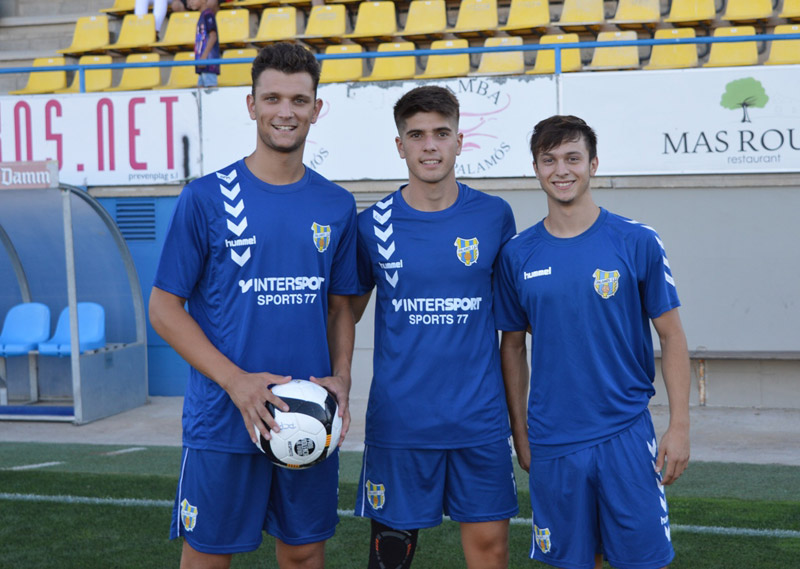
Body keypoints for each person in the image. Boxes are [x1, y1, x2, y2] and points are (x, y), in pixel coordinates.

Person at [149, 42, 358, 569]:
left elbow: (340, 308)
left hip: (308, 415)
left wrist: (342, 376)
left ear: (316, 108)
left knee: (305, 554)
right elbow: (164, 308)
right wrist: (236, 381)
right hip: (223, 418)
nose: (285, 111)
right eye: (272, 98)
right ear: (251, 105)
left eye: (298, 100)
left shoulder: (337, 204)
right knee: (208, 558)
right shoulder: (206, 197)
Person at [494, 115, 691, 569]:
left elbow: (672, 335)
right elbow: (512, 347)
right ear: (536, 169)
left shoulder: (636, 240)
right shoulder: (517, 254)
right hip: (553, 440)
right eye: (549, 160)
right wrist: (520, 433)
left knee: (641, 561)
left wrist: (679, 426)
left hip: (624, 432)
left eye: (572, 158)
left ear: (593, 164)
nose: (561, 169)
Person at [351, 86, 519, 569]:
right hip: (401, 423)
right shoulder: (372, 224)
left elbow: (511, 330)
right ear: (400, 145)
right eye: (417, 135)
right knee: (390, 556)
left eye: (441, 133)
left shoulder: (493, 216)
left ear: (459, 141)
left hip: (478, 421)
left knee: (490, 551)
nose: (430, 145)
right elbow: (346, 312)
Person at [189, 0, 220, 88]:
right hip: (203, 63)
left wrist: (204, 57)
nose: (190, 2)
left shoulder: (208, 15)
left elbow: (213, 36)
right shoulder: (202, 15)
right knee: (201, 92)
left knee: (211, 91)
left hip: (208, 63)